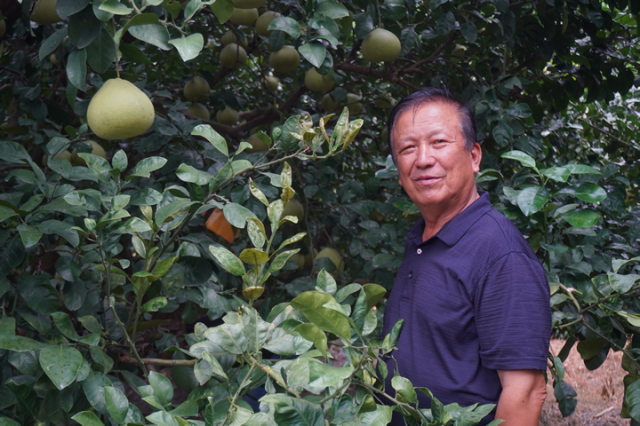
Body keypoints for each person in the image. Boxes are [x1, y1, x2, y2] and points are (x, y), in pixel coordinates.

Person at [381, 88, 551, 426]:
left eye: (439, 142)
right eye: (407, 148)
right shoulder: (422, 239)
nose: (423, 159)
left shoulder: (501, 253)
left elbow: (526, 392)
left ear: (474, 157)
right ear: (399, 172)